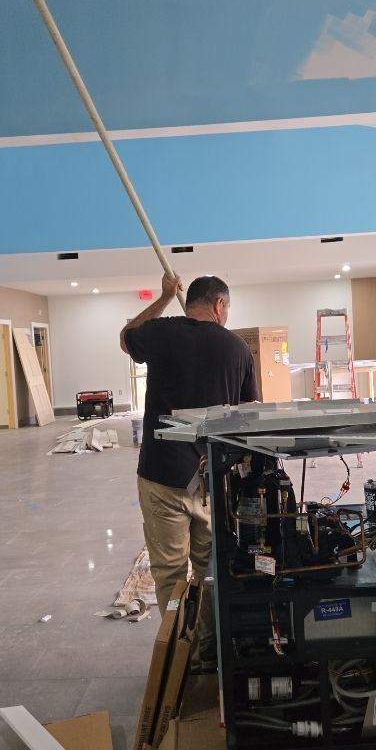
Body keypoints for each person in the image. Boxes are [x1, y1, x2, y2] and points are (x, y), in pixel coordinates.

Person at [120, 273, 258, 669]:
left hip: (162, 475)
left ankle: (178, 652)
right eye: (227, 308)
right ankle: (206, 651)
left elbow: (126, 336)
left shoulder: (160, 333)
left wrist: (164, 297)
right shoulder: (237, 348)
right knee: (210, 569)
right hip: (212, 479)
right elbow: (249, 416)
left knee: (169, 572)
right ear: (219, 305)